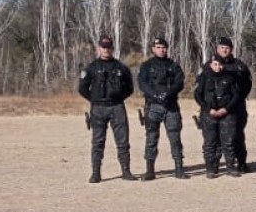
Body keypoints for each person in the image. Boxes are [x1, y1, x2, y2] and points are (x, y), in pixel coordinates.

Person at [79, 36, 136, 183]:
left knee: (122, 141)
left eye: (109, 47)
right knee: (98, 141)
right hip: (98, 108)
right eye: (103, 47)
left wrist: (118, 98)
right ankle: (96, 173)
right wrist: (95, 99)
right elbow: (82, 88)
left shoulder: (121, 68)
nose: (106, 49)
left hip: (117, 107)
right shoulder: (91, 67)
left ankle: (126, 171)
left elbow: (129, 88)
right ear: (99, 48)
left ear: (113, 48)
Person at [137, 36, 186, 180]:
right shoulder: (146, 66)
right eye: (158, 47)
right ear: (153, 49)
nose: (161, 50)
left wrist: (168, 94)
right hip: (153, 106)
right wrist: (154, 94)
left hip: (171, 106)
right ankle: (150, 170)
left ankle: (179, 169)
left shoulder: (173, 65)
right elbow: (142, 83)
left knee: (175, 137)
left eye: (164, 47)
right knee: (151, 138)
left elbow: (179, 82)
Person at [194, 57, 241, 178]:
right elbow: (197, 95)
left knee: (228, 142)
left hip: (227, 114)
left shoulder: (230, 77)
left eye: (220, 65)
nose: (218, 67)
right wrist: (208, 109)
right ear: (210, 65)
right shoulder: (203, 77)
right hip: (208, 114)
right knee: (210, 143)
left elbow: (236, 96)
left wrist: (226, 109)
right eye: (215, 64)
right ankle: (210, 169)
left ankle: (231, 167)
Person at [210, 36, 252, 172]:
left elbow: (247, 83)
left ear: (231, 49)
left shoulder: (239, 65)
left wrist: (239, 98)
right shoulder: (210, 64)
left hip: (237, 107)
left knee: (237, 135)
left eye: (227, 48)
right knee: (215, 137)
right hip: (216, 108)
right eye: (222, 47)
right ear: (217, 48)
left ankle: (241, 162)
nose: (224, 50)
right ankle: (215, 164)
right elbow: (202, 86)